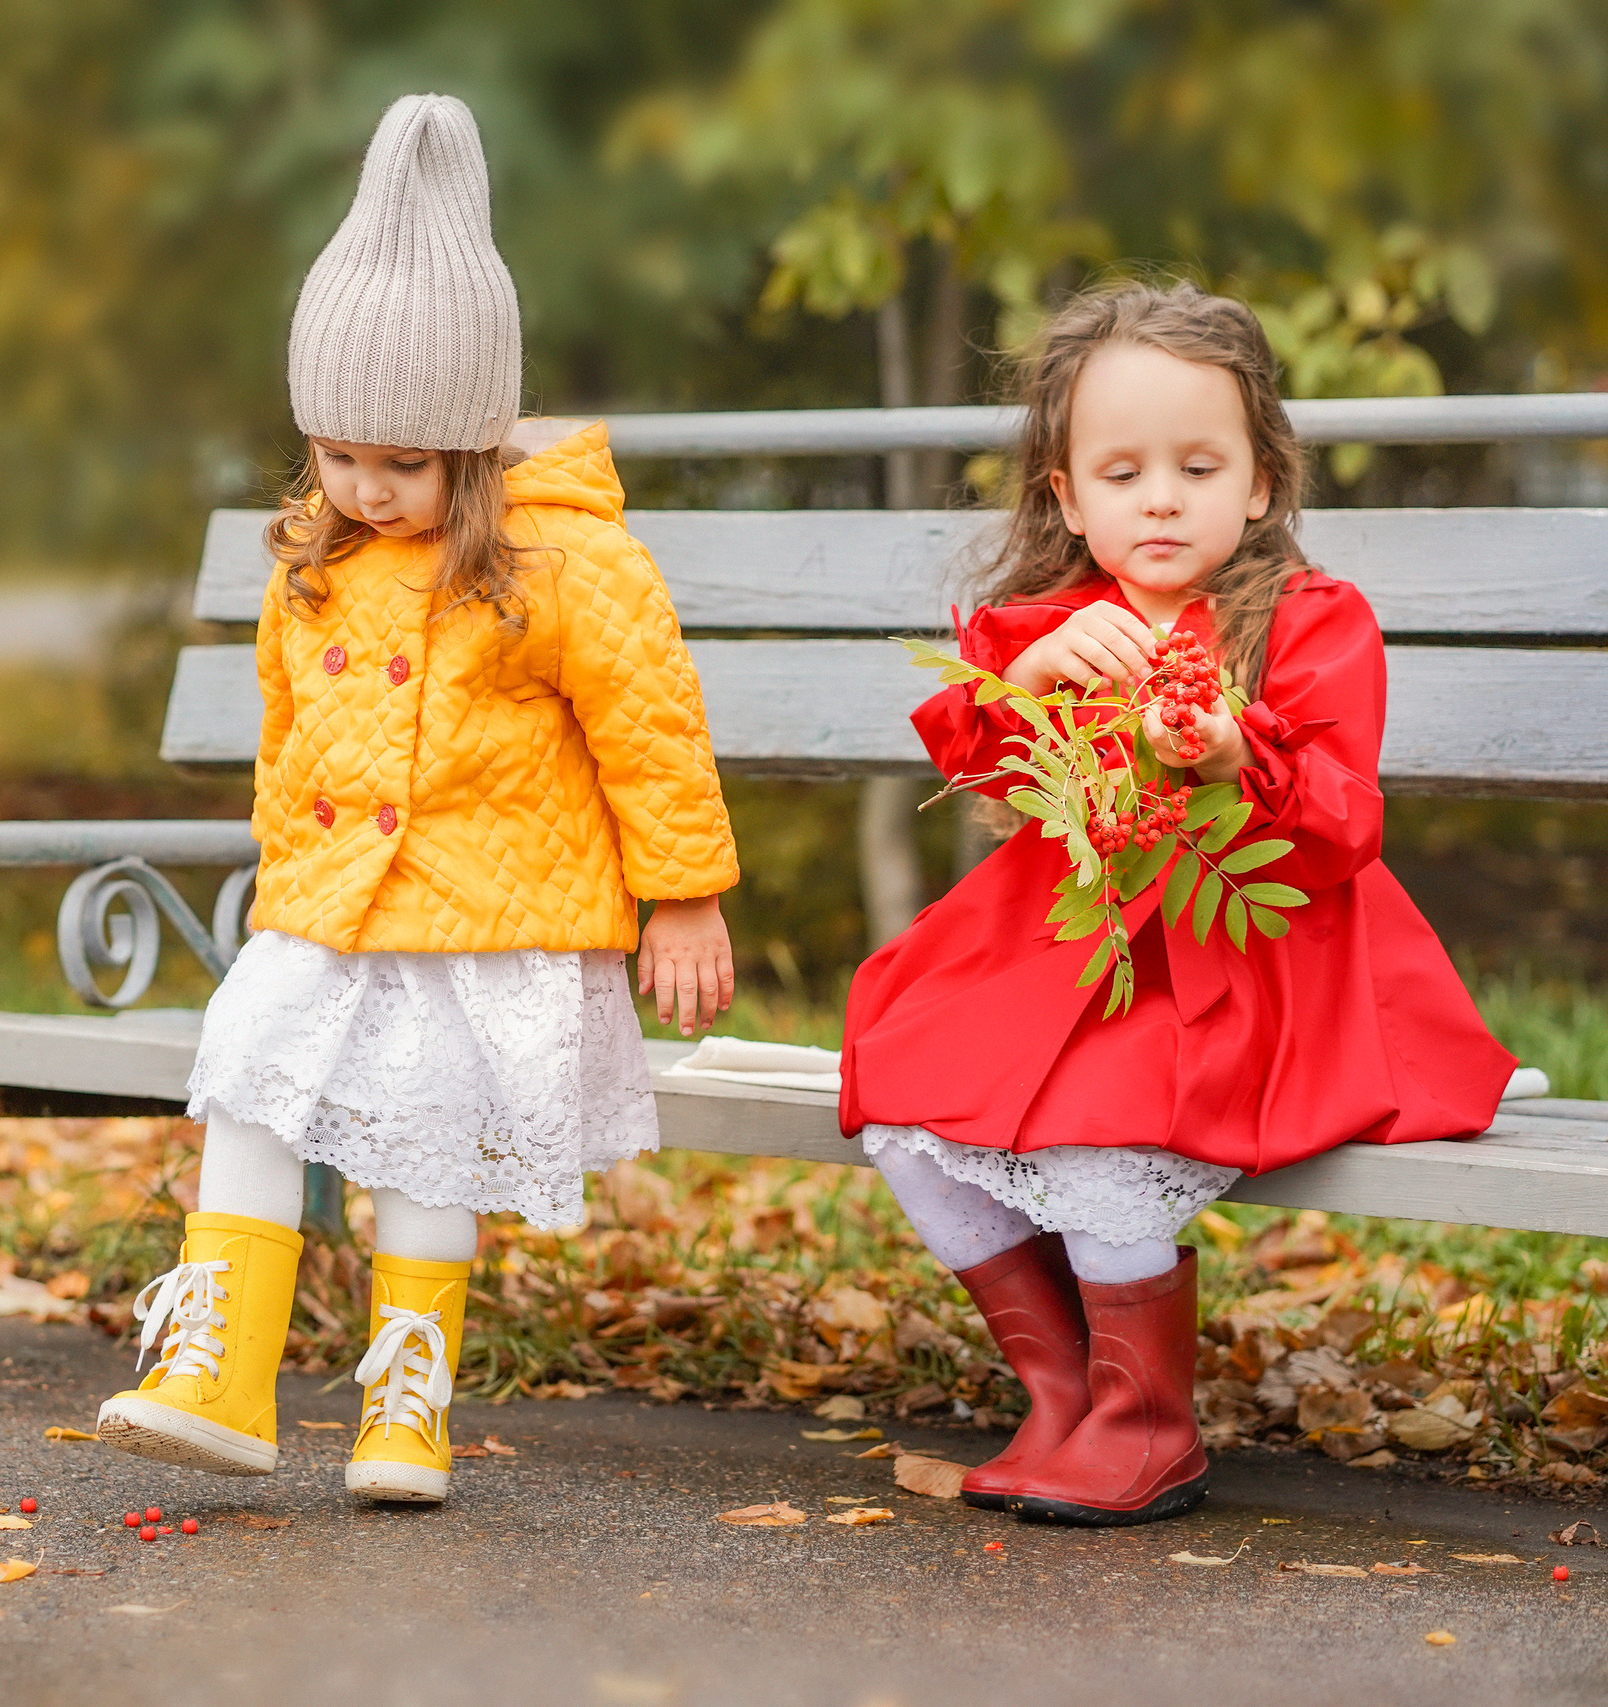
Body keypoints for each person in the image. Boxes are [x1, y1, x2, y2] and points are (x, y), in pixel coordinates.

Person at [95, 94, 738, 1506]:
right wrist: (284, 881)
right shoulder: (312, 560)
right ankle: (219, 1371)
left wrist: (682, 893)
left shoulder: (565, 561)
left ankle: (408, 1402)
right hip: (328, 912)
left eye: (405, 463)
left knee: (427, 1137)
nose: (369, 488)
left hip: (487, 917)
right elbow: (288, 736)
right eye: (340, 455)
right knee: (246, 1082)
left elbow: (650, 726)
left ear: (477, 443)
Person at [839, 281, 1515, 1526]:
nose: (1160, 498)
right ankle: (1065, 1396)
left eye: (1199, 467)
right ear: (1066, 495)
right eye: (1123, 472)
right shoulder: (1047, 627)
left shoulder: (1308, 623)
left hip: (1250, 955)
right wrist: (1026, 678)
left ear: (1260, 483)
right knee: (900, 1087)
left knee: (1106, 1120)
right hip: (1076, 941)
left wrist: (1229, 754)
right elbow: (984, 769)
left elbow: (1345, 822)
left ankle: (1148, 1427)